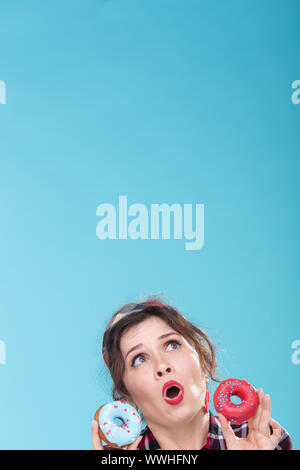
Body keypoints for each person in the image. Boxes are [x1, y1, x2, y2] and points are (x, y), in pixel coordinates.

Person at [92, 296, 294, 450]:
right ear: (127, 396)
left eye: (172, 345)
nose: (162, 366)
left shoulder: (263, 440)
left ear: (203, 363)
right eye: (139, 359)